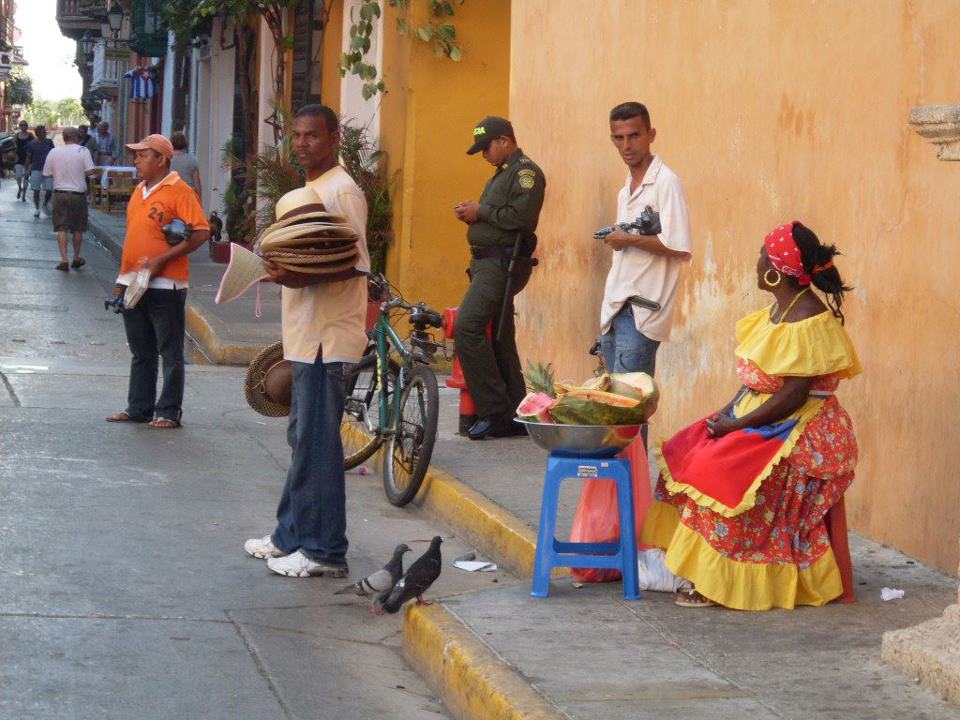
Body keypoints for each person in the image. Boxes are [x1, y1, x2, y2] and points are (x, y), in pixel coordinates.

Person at [640, 221, 860, 611]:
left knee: (716, 471)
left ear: (777, 268)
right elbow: (756, 379)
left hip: (802, 429)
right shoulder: (780, 309)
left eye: (763, 255)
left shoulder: (807, 319)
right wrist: (725, 414)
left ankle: (720, 579)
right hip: (763, 415)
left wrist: (738, 425)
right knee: (684, 448)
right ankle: (687, 563)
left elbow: (793, 395)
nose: (756, 262)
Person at [243, 104, 370, 579]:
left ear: (334, 138)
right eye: (296, 135)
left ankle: (323, 551)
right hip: (305, 336)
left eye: (312, 135)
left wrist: (291, 275)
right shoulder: (310, 191)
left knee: (317, 444)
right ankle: (289, 535)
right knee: (303, 438)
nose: (301, 143)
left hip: (328, 337)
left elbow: (353, 264)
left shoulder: (343, 191)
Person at [105, 134, 211, 429]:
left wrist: (162, 260)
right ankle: (138, 407)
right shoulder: (140, 190)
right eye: (136, 155)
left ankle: (168, 411)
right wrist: (121, 280)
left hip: (167, 284)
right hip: (133, 281)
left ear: (161, 159)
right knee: (141, 350)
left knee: (170, 351)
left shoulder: (181, 191)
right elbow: (133, 238)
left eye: (142, 156)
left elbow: (202, 231)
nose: (136, 161)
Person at [453, 116, 546, 440]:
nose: (484, 155)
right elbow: (499, 217)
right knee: (500, 337)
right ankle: (516, 413)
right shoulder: (502, 174)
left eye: (486, 147)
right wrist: (474, 216)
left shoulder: (526, 173)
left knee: (467, 326)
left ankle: (493, 411)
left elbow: (521, 218)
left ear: (505, 140)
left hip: (501, 265)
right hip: (487, 264)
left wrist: (481, 213)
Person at [599, 102, 691, 378]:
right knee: (615, 408)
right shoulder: (624, 189)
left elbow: (678, 245)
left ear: (651, 135)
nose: (626, 145)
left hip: (641, 312)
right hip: (615, 307)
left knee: (629, 406)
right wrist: (621, 235)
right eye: (619, 138)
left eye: (634, 135)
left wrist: (627, 239)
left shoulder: (666, 182)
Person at [41, 127, 96, 271]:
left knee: (61, 228)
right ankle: (76, 257)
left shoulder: (54, 152)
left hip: (59, 194)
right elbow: (90, 172)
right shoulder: (83, 150)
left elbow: (46, 173)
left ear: (64, 138)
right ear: (77, 137)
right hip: (78, 195)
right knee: (78, 228)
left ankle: (64, 260)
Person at [24, 126, 54, 218]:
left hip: (48, 170)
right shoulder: (31, 144)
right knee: (36, 190)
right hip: (36, 169)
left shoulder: (49, 142)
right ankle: (37, 209)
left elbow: (54, 154)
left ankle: (45, 203)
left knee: (49, 190)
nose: (45, 133)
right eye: (42, 132)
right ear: (37, 134)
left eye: (45, 131)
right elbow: (28, 158)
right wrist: (26, 170)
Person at [169, 131, 202, 199]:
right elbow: (197, 184)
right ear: (185, 144)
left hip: (171, 195)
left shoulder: (167, 160)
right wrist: (199, 201)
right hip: (188, 196)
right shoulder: (191, 160)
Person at [14, 120, 34, 202]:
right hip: (18, 159)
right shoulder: (16, 135)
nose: (22, 126)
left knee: (26, 177)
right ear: (19, 126)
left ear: (27, 126)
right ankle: (20, 188)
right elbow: (12, 146)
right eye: (21, 125)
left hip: (28, 160)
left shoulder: (31, 135)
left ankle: (24, 195)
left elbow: (34, 145)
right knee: (18, 176)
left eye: (24, 125)